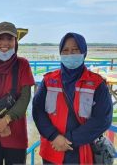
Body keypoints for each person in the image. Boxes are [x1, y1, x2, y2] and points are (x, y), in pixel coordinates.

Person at [32, 32, 112, 164]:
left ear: (84, 52)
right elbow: (37, 111)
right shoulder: (49, 80)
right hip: (52, 150)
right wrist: (54, 136)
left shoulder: (97, 84)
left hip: (81, 152)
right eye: (65, 50)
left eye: (75, 50)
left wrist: (69, 140)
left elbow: (102, 119)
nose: (70, 55)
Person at [0, 21, 35, 165]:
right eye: (0, 39)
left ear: (15, 42)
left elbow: (25, 97)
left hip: (15, 130)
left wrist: (6, 120)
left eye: (9, 39)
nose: (5, 43)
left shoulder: (23, 64)